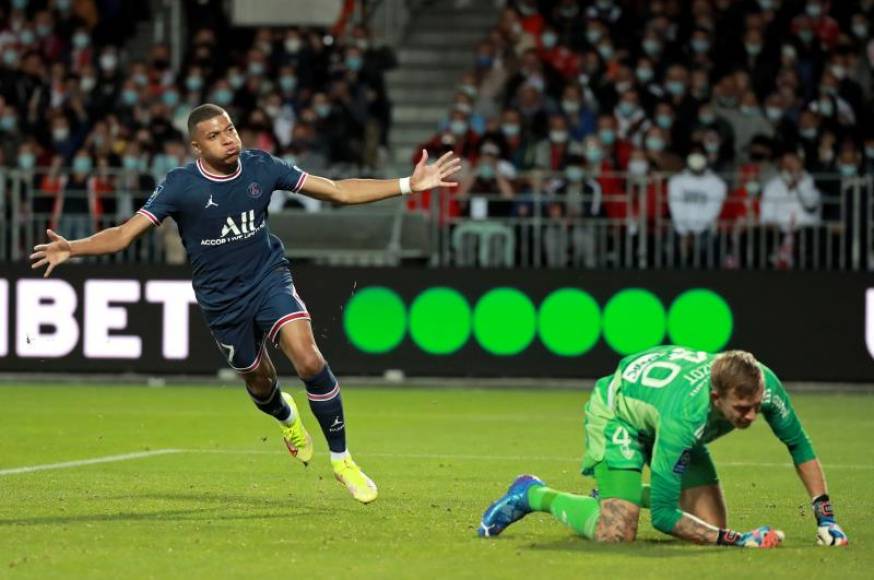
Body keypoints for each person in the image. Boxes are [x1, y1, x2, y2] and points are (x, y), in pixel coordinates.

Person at [30, 104, 461, 504]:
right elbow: (125, 234)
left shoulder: (260, 165)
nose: (229, 138)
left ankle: (342, 459)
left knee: (309, 359)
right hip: (221, 301)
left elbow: (337, 191)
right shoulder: (181, 185)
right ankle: (287, 417)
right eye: (216, 135)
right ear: (197, 146)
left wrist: (407, 184)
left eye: (231, 129)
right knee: (259, 382)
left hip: (268, 277)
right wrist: (74, 247)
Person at [477, 345, 849, 548]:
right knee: (616, 534)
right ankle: (532, 494)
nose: (752, 416)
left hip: (663, 408)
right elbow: (665, 518)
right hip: (619, 411)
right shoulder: (685, 418)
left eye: (756, 406)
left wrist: (826, 517)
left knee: (709, 527)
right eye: (741, 409)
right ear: (716, 397)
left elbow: (798, 444)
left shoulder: (762, 384)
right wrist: (738, 540)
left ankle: (615, 494)